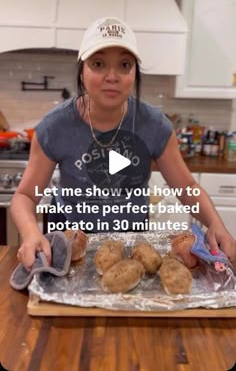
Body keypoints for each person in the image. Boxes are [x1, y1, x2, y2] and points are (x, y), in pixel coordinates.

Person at [10, 16, 236, 271]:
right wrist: (30, 232)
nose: (112, 76)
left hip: (132, 247)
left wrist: (215, 223)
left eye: (125, 65)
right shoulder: (55, 127)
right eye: (98, 64)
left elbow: (187, 187)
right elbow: (25, 196)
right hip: (70, 249)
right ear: (82, 72)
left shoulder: (154, 125)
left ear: (134, 74)